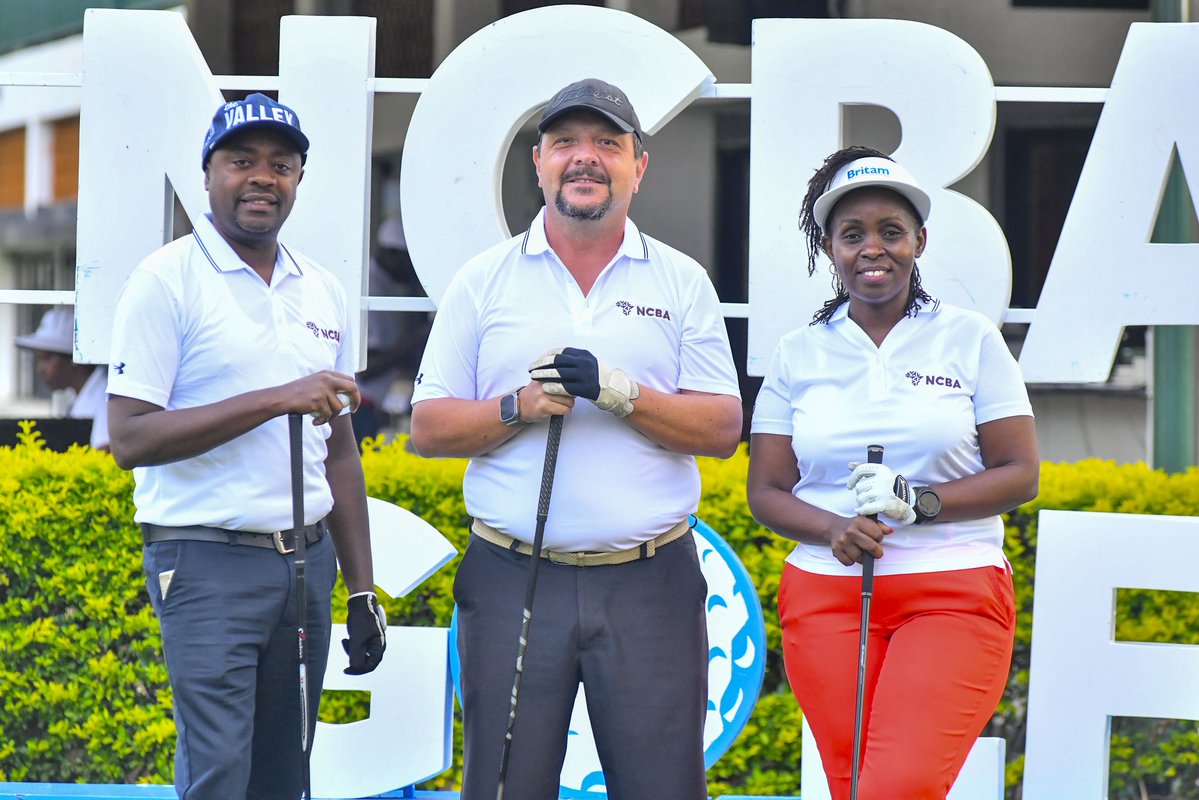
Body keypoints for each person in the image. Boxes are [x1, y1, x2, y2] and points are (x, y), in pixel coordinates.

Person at [409, 78, 742, 800]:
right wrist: (518, 406)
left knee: (662, 789)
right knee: (504, 787)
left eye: (606, 144)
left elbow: (720, 427)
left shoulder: (681, 281)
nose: (584, 159)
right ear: (537, 162)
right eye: (565, 143)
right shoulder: (483, 279)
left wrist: (618, 395)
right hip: (511, 576)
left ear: (637, 166)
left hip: (649, 579)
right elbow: (429, 427)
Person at [106, 93, 386, 800]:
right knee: (219, 774)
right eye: (241, 161)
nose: (262, 177)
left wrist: (360, 588)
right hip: (203, 561)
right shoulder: (165, 280)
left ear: (297, 180)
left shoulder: (320, 289)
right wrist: (275, 397)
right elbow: (130, 437)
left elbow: (340, 452)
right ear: (207, 175)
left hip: (305, 564)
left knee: (286, 773)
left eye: (281, 165)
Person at [746, 146, 1039, 800]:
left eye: (890, 232)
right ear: (829, 248)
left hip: (952, 587)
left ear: (919, 242)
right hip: (825, 594)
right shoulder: (798, 352)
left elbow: (1020, 473)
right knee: (852, 787)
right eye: (852, 235)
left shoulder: (968, 338)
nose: (872, 248)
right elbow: (764, 490)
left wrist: (918, 502)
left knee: (897, 786)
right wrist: (832, 529)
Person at [353, 213, 430, 442]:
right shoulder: (368, 286)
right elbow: (365, 369)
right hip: (359, 407)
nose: (413, 271)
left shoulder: (391, 286)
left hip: (376, 405)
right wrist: (418, 338)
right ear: (392, 254)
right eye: (410, 261)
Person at [15, 307, 109, 450]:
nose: (41, 369)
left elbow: (105, 452)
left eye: (46, 358)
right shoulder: (77, 395)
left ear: (74, 358)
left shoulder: (103, 397)